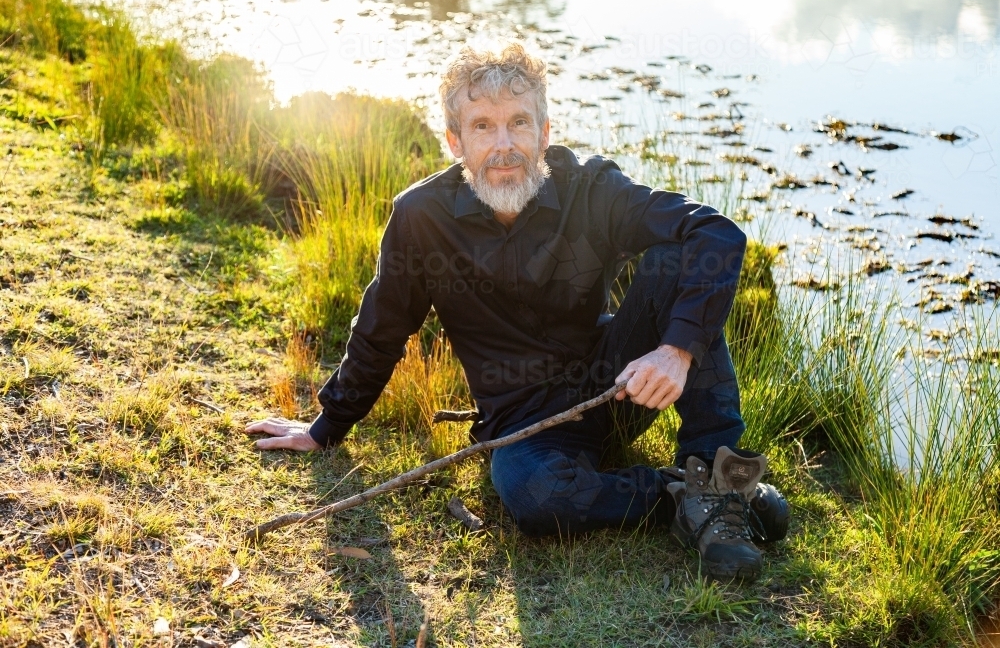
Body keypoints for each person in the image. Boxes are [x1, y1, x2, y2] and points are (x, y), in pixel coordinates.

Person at [246, 41, 788, 580]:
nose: (503, 146)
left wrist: (674, 351)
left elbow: (715, 232)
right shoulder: (421, 218)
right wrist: (326, 426)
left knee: (682, 259)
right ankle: (678, 493)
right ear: (455, 140)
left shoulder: (591, 190)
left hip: (618, 382)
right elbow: (380, 330)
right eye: (482, 127)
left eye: (519, 124)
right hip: (523, 422)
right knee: (536, 498)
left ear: (544, 133)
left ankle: (719, 484)